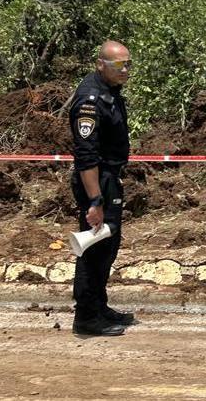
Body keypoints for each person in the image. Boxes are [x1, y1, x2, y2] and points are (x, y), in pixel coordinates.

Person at [69, 40, 135, 337]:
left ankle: (99, 305)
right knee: (94, 248)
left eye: (128, 65)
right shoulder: (90, 101)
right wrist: (95, 200)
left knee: (107, 246)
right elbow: (86, 156)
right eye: (119, 65)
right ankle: (86, 316)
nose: (126, 71)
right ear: (100, 64)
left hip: (108, 178)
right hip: (97, 181)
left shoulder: (110, 92)